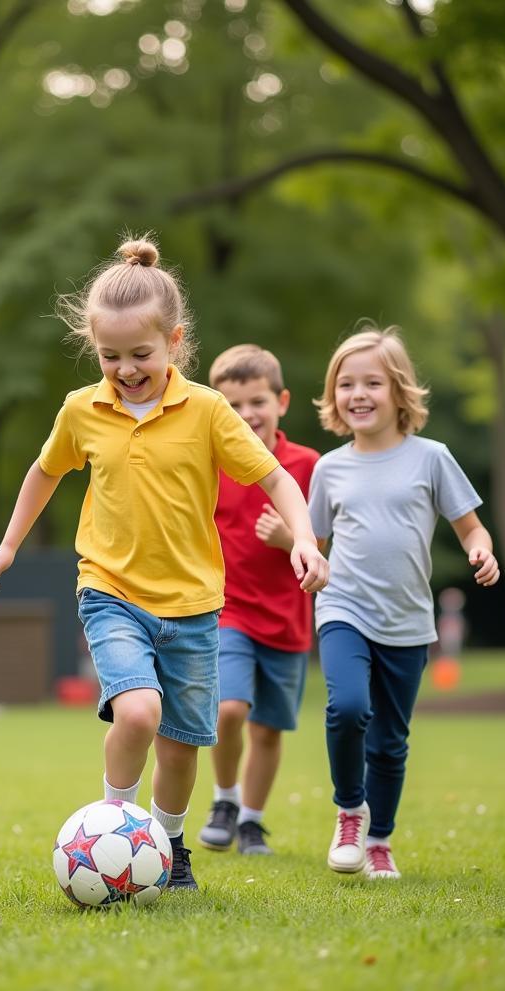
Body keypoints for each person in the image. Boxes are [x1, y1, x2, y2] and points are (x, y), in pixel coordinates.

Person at [0, 235, 329, 891]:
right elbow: (44, 473)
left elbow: (278, 478)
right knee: (138, 713)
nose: (126, 368)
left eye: (141, 354)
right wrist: (9, 544)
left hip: (194, 606)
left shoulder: (208, 410)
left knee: (182, 745)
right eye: (110, 356)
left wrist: (303, 538)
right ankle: (112, 832)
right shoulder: (84, 408)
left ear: (175, 341)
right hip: (109, 590)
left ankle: (168, 843)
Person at [308, 325, 500, 880]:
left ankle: (380, 842)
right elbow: (313, 542)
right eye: (346, 384)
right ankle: (350, 811)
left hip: (408, 622)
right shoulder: (330, 468)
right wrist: (300, 554)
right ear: (335, 396)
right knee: (347, 708)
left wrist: (481, 553)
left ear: (399, 391)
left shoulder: (431, 458)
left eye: (372, 382)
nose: (358, 394)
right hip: (343, 608)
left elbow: (471, 528)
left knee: (390, 742)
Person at [197, 345, 320, 856]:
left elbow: (327, 546)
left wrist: (290, 541)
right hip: (230, 613)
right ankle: (224, 800)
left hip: (289, 620)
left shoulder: (308, 466)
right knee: (228, 709)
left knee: (268, 730)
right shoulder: (212, 465)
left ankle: (251, 820)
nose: (248, 414)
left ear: (282, 401)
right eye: (235, 405)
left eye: (258, 402)